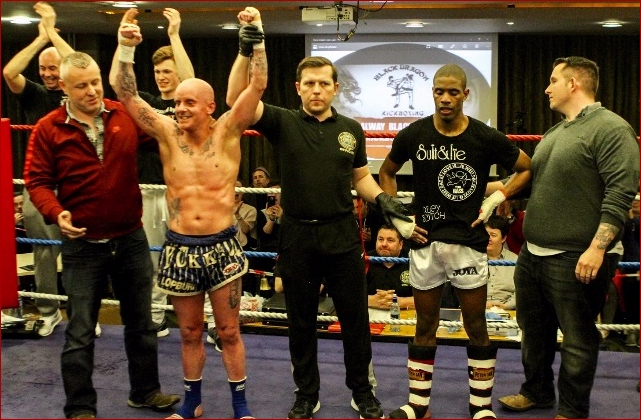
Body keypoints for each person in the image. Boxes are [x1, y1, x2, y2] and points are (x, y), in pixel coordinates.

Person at [227, 11, 411, 419]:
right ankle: (306, 393)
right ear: (298, 88)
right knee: (301, 321)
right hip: (297, 236)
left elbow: (361, 177)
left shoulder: (351, 129)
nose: (316, 90)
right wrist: (248, 47)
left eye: (323, 83)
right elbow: (236, 100)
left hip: (341, 235)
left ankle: (362, 391)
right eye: (309, 83)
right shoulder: (282, 121)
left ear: (335, 88)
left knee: (355, 319)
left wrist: (384, 200)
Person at [112, 7, 267, 419]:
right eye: (177, 102)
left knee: (229, 331)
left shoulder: (228, 130)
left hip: (222, 246)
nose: (179, 108)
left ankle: (241, 406)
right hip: (180, 246)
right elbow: (126, 94)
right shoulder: (166, 133)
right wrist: (125, 48)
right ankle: (192, 403)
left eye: (188, 102)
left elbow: (257, 83)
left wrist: (257, 36)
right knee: (189, 332)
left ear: (210, 106)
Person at [23, 50, 180, 419]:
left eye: (95, 82)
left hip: (130, 238)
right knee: (79, 330)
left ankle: (145, 392)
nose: (92, 90)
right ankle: (80, 408)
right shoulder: (48, 128)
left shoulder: (123, 114)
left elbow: (165, 132)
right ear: (64, 88)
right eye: (82, 86)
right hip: (81, 245)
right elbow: (36, 180)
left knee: (142, 323)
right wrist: (55, 212)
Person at [378, 63, 532, 419]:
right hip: (424, 242)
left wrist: (498, 197)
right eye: (439, 91)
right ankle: (419, 406)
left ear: (465, 94)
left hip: (468, 242)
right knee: (424, 325)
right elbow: (386, 172)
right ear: (432, 93)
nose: (445, 99)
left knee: (476, 325)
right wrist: (398, 218)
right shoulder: (414, 133)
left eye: (452, 92)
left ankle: (481, 407)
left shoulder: (484, 136)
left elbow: (526, 167)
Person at [497, 56, 639, 419]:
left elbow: (620, 193)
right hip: (534, 254)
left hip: (578, 255)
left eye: (553, 80)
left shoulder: (611, 129)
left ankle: (573, 410)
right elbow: (537, 183)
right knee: (534, 331)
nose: (547, 88)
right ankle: (537, 392)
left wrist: (597, 248)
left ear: (573, 83)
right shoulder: (556, 133)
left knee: (577, 337)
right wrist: (497, 195)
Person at [109, 7, 195, 338]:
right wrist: (123, 43)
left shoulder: (186, 106)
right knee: (152, 258)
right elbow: (120, 86)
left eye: (167, 71)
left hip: (183, 190)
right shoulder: (146, 103)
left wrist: (174, 35)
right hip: (148, 189)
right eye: (157, 71)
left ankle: (205, 318)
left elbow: (191, 80)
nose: (161, 76)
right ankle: (156, 315)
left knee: (192, 254)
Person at [2, 1, 73, 337]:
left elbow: (78, 63)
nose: (47, 74)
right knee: (44, 252)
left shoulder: (78, 94)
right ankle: (48, 311)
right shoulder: (33, 94)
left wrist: (54, 36)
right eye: (43, 69)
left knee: (80, 252)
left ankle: (82, 313)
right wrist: (41, 39)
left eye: (53, 68)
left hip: (75, 183)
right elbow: (9, 73)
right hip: (40, 184)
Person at [367, 224, 412, 310]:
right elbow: (349, 295)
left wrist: (400, 302)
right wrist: (370, 300)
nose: (384, 244)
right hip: (370, 312)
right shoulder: (365, 259)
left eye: (390, 240)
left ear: (400, 244)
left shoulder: (412, 260)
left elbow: (427, 299)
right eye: (380, 239)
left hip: (405, 313)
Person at [484, 215, 518, 310]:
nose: (488, 238)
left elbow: (522, 291)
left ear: (503, 238)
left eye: (493, 235)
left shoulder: (515, 260)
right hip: (476, 309)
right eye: (486, 234)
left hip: (508, 310)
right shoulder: (473, 259)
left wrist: (507, 306)